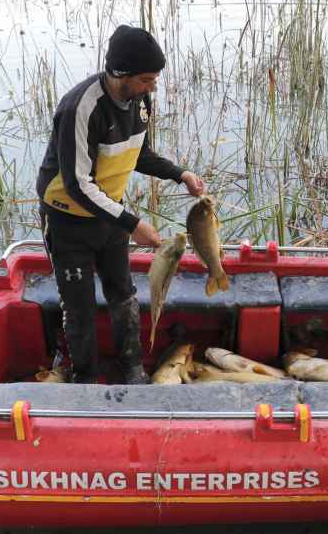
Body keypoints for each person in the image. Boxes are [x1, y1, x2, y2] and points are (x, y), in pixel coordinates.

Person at [36, 24, 204, 384]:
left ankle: (132, 370)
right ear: (120, 74)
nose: (152, 87)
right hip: (68, 223)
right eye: (146, 79)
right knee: (78, 308)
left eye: (154, 79)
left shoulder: (139, 100)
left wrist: (181, 174)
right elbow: (78, 186)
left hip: (108, 216)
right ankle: (84, 380)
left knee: (123, 295)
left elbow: (138, 154)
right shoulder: (80, 109)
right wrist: (133, 224)